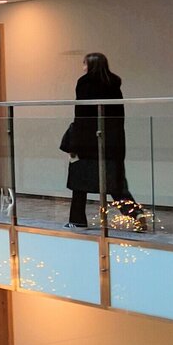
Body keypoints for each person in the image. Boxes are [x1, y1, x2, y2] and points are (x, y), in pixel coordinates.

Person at [60, 53, 143, 229]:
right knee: (114, 182)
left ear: (90, 65)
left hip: (87, 141)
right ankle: (135, 213)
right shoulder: (113, 83)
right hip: (112, 141)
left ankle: (77, 220)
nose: (83, 67)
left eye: (84, 64)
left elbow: (81, 115)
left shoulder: (84, 83)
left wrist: (75, 144)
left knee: (79, 181)